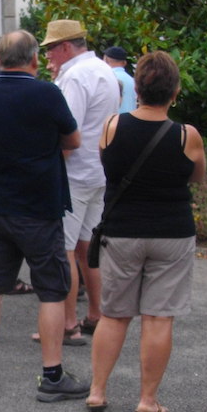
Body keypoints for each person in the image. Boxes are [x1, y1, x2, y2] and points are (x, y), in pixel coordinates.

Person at [84, 52, 206, 412]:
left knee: (114, 315)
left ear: (136, 88)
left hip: (122, 231)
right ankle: (147, 399)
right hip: (171, 232)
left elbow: (109, 168)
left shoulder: (111, 127)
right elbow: (197, 177)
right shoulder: (187, 135)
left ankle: (97, 391)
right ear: (175, 91)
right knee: (158, 317)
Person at [0, 30, 87, 401]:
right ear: (34, 59)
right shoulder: (47, 93)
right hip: (38, 203)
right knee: (51, 290)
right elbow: (74, 140)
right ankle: (51, 375)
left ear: (0, 58)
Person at [39, 19, 120, 344]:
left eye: (50, 50)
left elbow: (65, 130)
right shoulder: (105, 71)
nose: (49, 56)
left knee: (66, 250)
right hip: (99, 168)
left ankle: (68, 322)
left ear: (65, 47)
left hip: (74, 174)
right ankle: (96, 314)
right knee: (89, 248)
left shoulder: (74, 76)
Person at [102, 46, 136, 113]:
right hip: (131, 120)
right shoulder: (133, 80)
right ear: (124, 62)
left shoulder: (106, 78)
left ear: (106, 60)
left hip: (113, 121)